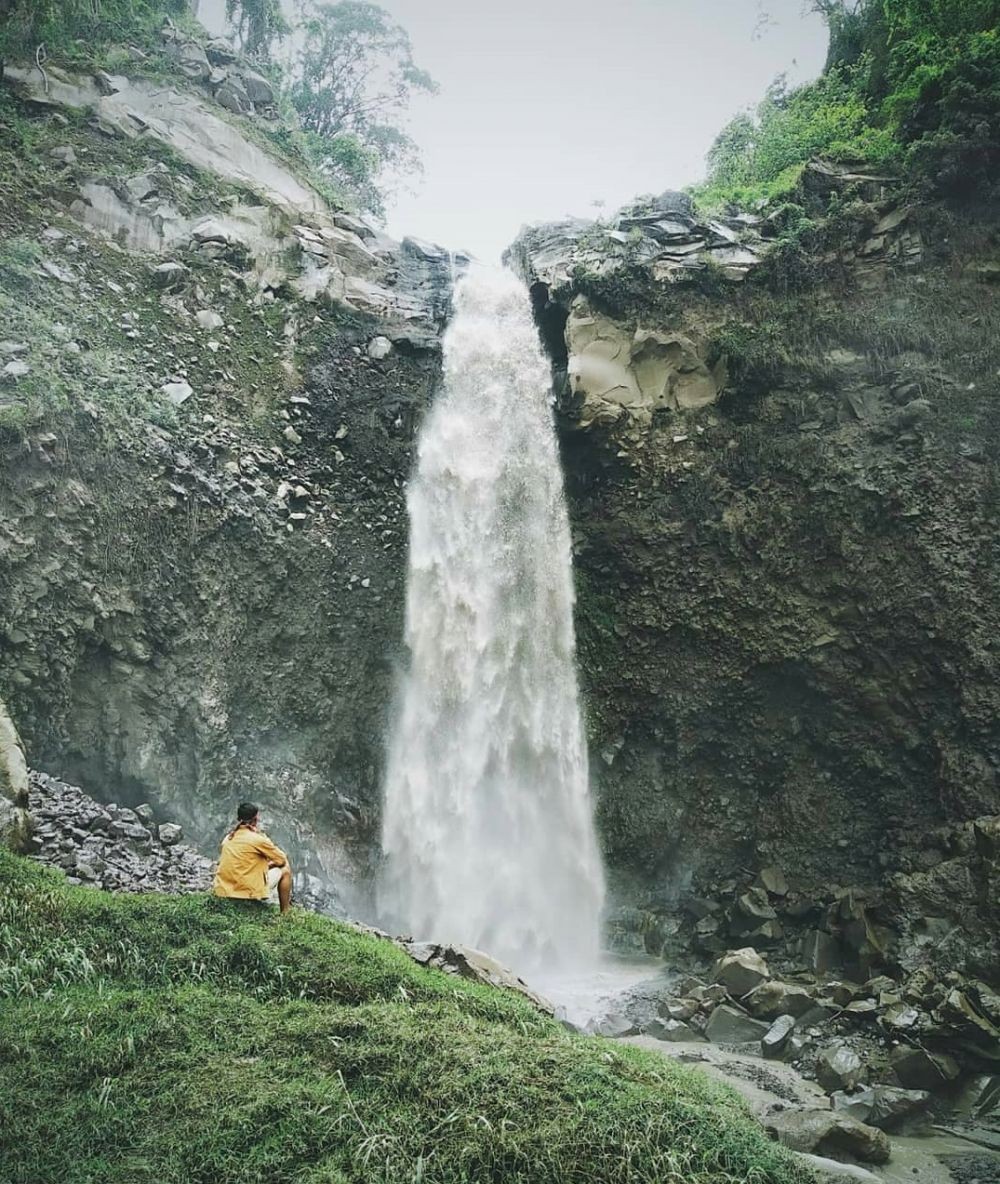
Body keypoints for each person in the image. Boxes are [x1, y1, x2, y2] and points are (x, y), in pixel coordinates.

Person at [212, 802, 292, 914]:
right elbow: (281, 860)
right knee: (285, 870)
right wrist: (268, 864)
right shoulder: (258, 839)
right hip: (247, 894)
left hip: (223, 891)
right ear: (255, 819)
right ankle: (285, 913)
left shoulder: (228, 838)